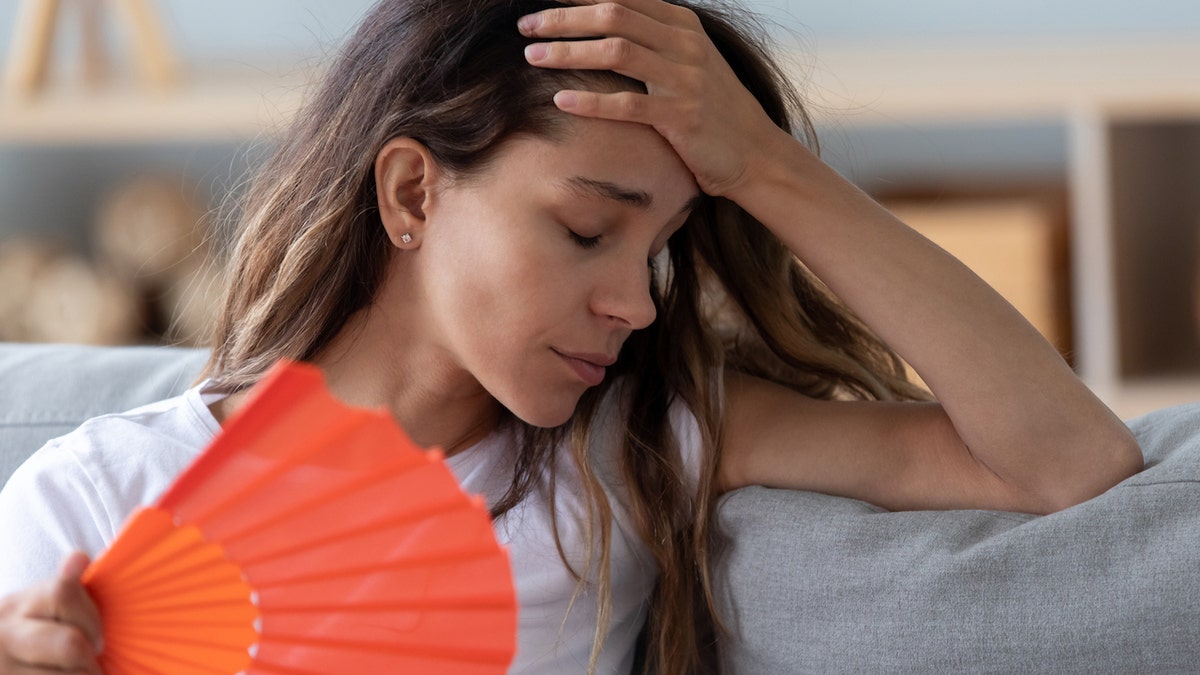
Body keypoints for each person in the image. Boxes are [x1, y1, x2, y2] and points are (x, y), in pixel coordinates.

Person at [0, 0, 1144, 673]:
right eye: (588, 228)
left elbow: (1065, 462)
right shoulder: (90, 506)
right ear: (411, 195)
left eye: (659, 251)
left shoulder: (633, 449)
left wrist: (768, 167)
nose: (639, 304)